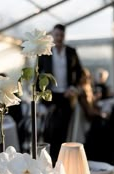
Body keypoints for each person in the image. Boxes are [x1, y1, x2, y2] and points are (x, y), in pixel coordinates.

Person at [38, 24, 83, 165]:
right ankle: (48, 161)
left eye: (61, 35)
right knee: (49, 129)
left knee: (63, 130)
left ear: (64, 36)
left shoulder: (71, 51)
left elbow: (80, 72)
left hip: (66, 95)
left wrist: (73, 88)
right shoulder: (45, 51)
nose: (59, 38)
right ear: (52, 36)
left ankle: (62, 162)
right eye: (56, 35)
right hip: (50, 96)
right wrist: (40, 94)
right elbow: (38, 73)